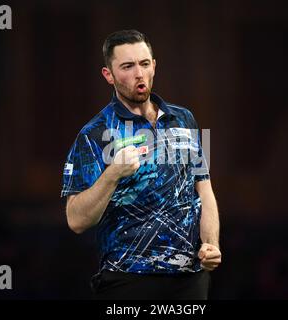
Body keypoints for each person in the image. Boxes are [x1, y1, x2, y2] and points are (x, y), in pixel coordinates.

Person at [61, 29, 221, 300]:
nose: (139, 73)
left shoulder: (184, 119)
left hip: (190, 281)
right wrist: (113, 174)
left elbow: (204, 190)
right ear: (108, 75)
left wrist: (211, 245)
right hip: (127, 281)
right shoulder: (95, 133)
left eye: (145, 64)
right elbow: (76, 220)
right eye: (127, 66)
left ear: (154, 66)